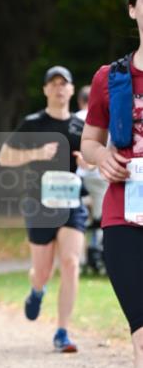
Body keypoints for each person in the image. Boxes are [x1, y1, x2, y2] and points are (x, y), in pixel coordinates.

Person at [81, 0, 143, 368]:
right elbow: (89, 142)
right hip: (125, 217)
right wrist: (101, 159)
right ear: (132, 9)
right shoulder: (112, 77)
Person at [0, 66, 88, 353]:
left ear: (72, 90)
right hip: (39, 203)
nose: (59, 88)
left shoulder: (80, 127)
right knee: (43, 271)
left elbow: (96, 159)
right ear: (45, 90)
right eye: (54, 83)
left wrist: (90, 164)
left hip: (71, 202)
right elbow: (4, 157)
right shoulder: (33, 123)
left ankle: (62, 331)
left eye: (65, 84)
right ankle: (37, 290)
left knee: (71, 263)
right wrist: (36, 153)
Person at [75, 86, 108, 272]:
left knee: (81, 220)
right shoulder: (105, 116)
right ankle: (99, 256)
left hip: (81, 178)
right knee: (101, 220)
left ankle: (81, 261)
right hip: (102, 177)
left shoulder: (76, 117)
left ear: (80, 100)